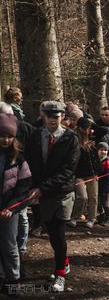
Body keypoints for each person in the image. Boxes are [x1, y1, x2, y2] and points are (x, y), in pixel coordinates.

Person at [26, 101, 80, 292]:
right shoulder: (35, 135)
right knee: (51, 231)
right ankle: (63, 263)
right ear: (44, 116)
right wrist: (32, 186)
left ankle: (60, 274)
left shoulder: (71, 138)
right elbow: (30, 162)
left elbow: (68, 170)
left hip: (61, 192)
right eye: (48, 116)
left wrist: (44, 187)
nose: (51, 119)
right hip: (41, 192)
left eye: (56, 116)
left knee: (58, 232)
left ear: (62, 116)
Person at [0, 114, 31, 294]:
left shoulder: (19, 159)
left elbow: (23, 188)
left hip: (10, 210)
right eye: (2, 135)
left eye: (9, 136)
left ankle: (13, 280)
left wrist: (11, 208)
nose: (5, 139)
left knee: (10, 245)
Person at [96, 142, 109, 226]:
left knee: (105, 203)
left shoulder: (108, 162)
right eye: (101, 150)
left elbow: (107, 174)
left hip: (106, 186)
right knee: (99, 203)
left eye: (105, 150)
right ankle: (102, 215)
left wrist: (98, 176)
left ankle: (108, 217)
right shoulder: (96, 160)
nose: (103, 152)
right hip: (98, 185)